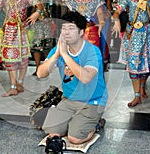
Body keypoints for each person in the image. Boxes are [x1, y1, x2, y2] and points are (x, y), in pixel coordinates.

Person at [37, 11, 108, 145]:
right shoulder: (58, 49)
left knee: (75, 138)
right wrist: (56, 54)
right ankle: (76, 121)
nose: (66, 32)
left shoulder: (92, 51)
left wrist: (65, 54)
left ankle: (97, 123)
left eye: (71, 28)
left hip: (92, 101)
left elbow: (86, 78)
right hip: (69, 99)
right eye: (63, 28)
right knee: (53, 133)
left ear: (81, 32)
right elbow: (41, 74)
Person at [28, 0, 62, 76]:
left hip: (46, 20)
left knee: (47, 45)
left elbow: (58, 2)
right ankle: (38, 67)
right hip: (35, 21)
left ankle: (47, 67)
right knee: (35, 46)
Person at [92, 0, 112, 71]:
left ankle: (104, 63)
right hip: (93, 20)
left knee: (104, 41)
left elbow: (108, 7)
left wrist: (109, 18)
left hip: (104, 19)